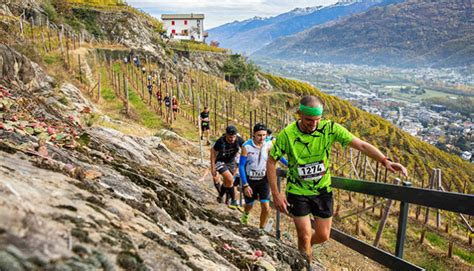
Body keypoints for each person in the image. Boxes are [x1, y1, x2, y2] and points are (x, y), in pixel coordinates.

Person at [267, 95, 407, 264]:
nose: (313, 124)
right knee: (304, 236)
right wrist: (276, 193)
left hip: (322, 191)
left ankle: (303, 250)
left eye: (317, 120)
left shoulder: (330, 129)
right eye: (309, 120)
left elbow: (361, 145)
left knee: (323, 235)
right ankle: (304, 264)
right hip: (298, 191)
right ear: (299, 114)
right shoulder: (287, 134)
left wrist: (385, 161)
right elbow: (271, 161)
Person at [239, 123, 288, 233]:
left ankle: (261, 228)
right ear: (253, 134)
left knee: (266, 206)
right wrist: (245, 184)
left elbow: (278, 157)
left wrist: (289, 164)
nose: (262, 138)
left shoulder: (269, 145)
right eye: (259, 135)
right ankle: (246, 214)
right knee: (249, 205)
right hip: (250, 179)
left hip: (264, 179)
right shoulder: (246, 146)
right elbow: (241, 165)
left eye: (264, 135)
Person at [211, 125, 245, 207]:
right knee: (230, 179)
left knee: (226, 182)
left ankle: (220, 196)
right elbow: (213, 151)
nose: (232, 139)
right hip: (220, 161)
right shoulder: (220, 141)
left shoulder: (239, 140)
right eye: (230, 137)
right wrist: (213, 166)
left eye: (234, 137)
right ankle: (233, 200)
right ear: (226, 135)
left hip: (231, 162)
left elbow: (246, 148)